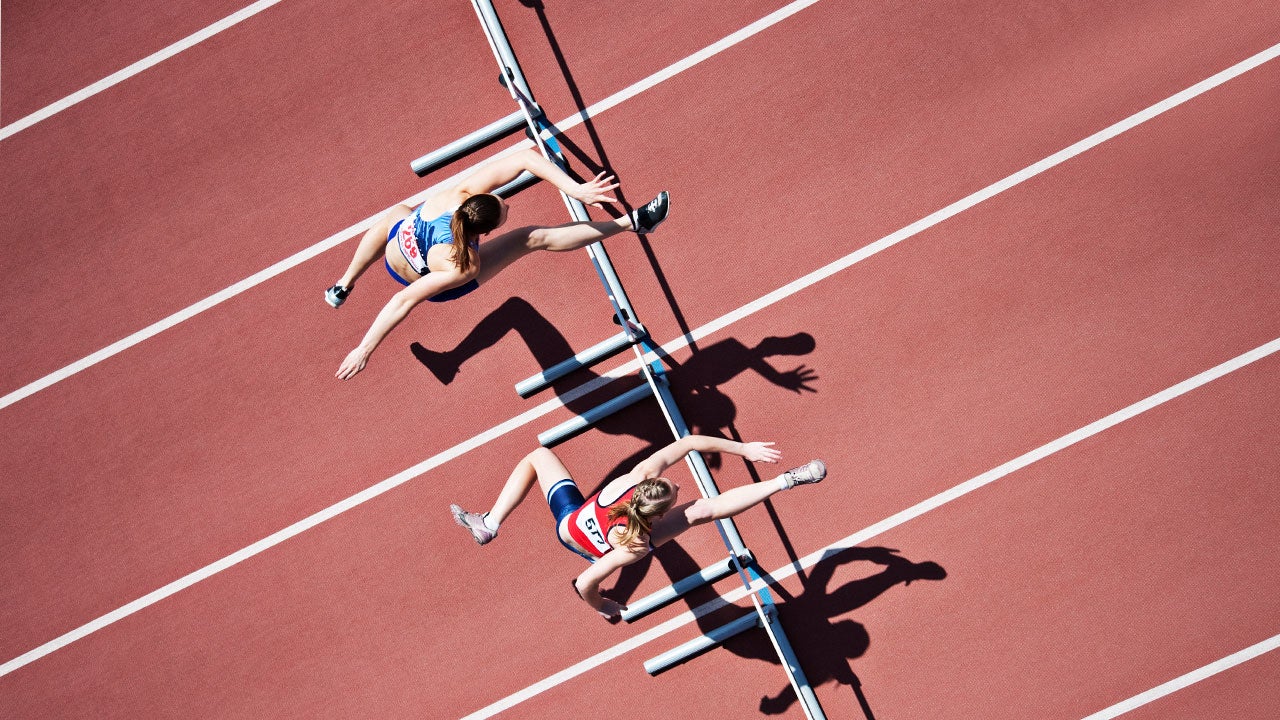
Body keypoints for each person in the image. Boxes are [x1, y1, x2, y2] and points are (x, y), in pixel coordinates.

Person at [327, 147, 670, 379]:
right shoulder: (464, 264)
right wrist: (364, 349)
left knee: (398, 213)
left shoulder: (457, 197)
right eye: (503, 208)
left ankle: (343, 286)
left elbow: (524, 158)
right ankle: (632, 223)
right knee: (530, 238)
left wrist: (575, 189)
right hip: (430, 275)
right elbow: (405, 299)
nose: (506, 201)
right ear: (486, 232)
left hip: (397, 250)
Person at [449, 436, 827, 621]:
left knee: (539, 457)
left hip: (581, 520)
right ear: (659, 515)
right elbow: (583, 583)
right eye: (675, 491)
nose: (679, 486)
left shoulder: (633, 480)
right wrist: (602, 605)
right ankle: (786, 481)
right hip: (585, 539)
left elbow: (690, 442)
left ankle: (491, 523)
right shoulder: (636, 545)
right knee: (701, 511)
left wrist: (743, 450)